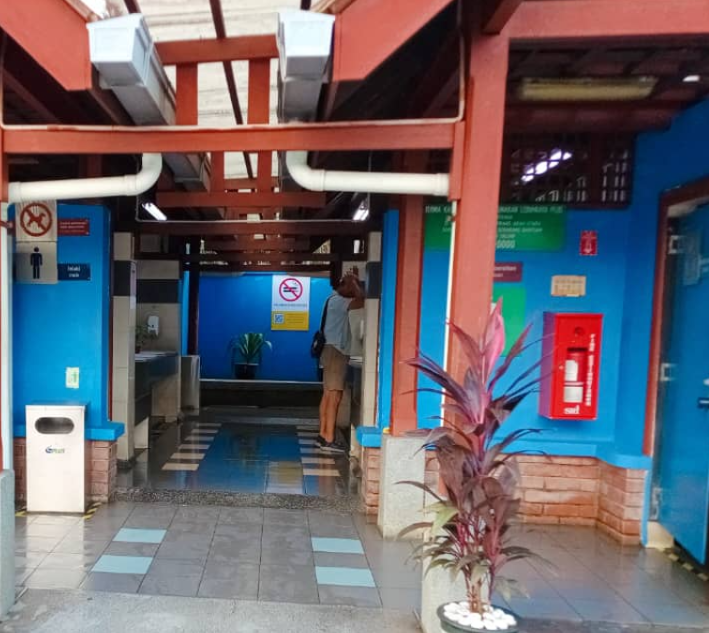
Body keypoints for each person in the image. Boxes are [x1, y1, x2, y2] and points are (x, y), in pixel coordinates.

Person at [317, 273, 364, 453]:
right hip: (337, 351)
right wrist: (355, 282)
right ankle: (329, 439)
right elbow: (364, 300)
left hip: (329, 350)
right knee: (334, 396)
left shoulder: (331, 299)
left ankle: (323, 435)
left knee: (328, 394)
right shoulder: (342, 302)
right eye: (351, 286)